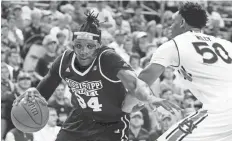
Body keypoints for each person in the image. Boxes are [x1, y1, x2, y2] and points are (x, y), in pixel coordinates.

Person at [14, 12, 179, 141]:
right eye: (78, 45)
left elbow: (135, 84)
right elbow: (45, 88)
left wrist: (150, 98)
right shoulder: (65, 60)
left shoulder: (107, 58)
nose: (83, 51)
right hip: (80, 119)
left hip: (111, 122)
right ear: (73, 45)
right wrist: (33, 95)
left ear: (98, 46)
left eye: (89, 46)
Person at [138, 2, 232, 141]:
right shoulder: (226, 44)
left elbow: (143, 79)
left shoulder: (175, 44)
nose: (170, 27)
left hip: (222, 110)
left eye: (172, 22)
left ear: (182, 22)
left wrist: (132, 104)